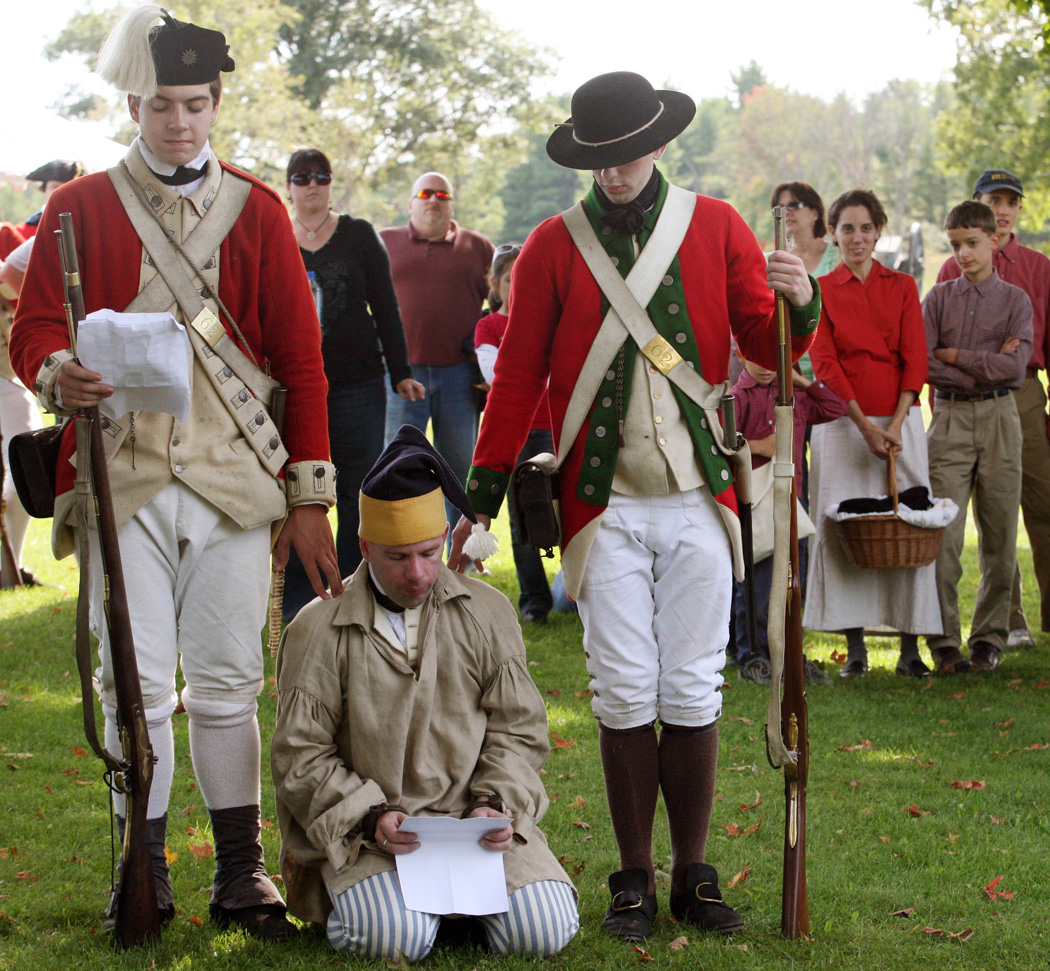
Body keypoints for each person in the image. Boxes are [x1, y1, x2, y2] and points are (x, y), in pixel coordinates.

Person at [449, 71, 820, 941]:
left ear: (658, 145)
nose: (613, 174)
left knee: (692, 686)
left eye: (626, 156)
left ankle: (694, 869)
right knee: (622, 689)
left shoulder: (718, 225)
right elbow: (517, 383)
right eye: (599, 160)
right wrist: (482, 498)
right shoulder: (551, 244)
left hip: (699, 494)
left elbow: (767, 342)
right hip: (602, 503)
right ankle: (633, 877)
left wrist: (801, 302)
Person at [8, 5, 341, 939]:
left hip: (235, 477)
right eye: (161, 106)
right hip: (123, 475)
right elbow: (34, 326)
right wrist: (53, 369)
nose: (179, 123)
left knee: (231, 680)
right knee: (138, 682)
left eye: (195, 104)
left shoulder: (260, 210)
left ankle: (242, 873)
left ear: (216, 103)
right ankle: (141, 866)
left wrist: (311, 499)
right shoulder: (74, 209)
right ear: (132, 103)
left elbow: (301, 362)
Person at [271, 425, 579, 961]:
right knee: (395, 939)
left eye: (429, 552)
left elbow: (519, 730)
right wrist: (370, 816)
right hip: (368, 839)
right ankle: (417, 914)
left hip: (477, 832)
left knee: (546, 931)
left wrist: (493, 803)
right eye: (396, 557)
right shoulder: (316, 629)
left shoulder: (487, 612)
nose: (416, 573)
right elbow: (301, 755)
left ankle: (455, 907)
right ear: (364, 546)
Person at [279, 148, 425, 618]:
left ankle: (352, 589)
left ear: (330, 183)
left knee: (355, 489)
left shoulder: (359, 234)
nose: (313, 185)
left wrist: (400, 371)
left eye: (321, 176)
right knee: (300, 490)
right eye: (302, 178)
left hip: (359, 383)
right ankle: (303, 601)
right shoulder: (277, 235)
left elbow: (386, 306)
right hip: (293, 389)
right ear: (290, 186)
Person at [805, 188, 941, 679]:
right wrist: (863, 425)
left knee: (910, 526)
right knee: (845, 531)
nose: (857, 238)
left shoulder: (902, 285)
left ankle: (910, 649)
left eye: (866, 228)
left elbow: (916, 357)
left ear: (879, 230)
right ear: (833, 234)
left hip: (902, 421)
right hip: (843, 425)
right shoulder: (821, 290)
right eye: (847, 229)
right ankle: (856, 649)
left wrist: (897, 424)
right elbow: (825, 362)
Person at [936, 170, 1050, 649]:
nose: (1002, 209)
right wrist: (985, 365)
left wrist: (986, 362)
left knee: (1037, 507)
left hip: (1023, 393)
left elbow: (1026, 354)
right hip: (962, 403)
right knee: (983, 513)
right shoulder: (950, 272)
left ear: (1019, 209)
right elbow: (932, 351)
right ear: (978, 205)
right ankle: (1011, 621)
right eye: (992, 200)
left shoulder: (1037, 268)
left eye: (1010, 201)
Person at [924, 201, 1032, 673]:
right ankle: (944, 641)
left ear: (994, 241)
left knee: (1001, 534)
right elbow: (924, 362)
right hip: (949, 420)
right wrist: (977, 369)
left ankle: (989, 638)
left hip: (1001, 421)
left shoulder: (1015, 302)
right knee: (942, 536)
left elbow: (1015, 370)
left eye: (972, 244)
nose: (964, 254)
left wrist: (956, 357)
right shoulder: (939, 298)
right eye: (955, 246)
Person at [380, 172, 493, 530]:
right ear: (411, 203)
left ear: (451, 204)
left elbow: (504, 301)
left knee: (459, 466)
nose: (433, 200)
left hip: (459, 375)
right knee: (397, 465)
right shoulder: (384, 243)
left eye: (442, 194)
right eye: (425, 193)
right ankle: (399, 546)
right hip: (402, 375)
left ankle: (458, 557)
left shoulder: (477, 247)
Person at [730, 355, 846, 684]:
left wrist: (803, 381)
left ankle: (790, 653)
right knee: (757, 582)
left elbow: (836, 408)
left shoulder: (794, 396)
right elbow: (719, 447)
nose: (766, 365)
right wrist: (758, 446)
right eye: (756, 355)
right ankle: (752, 654)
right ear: (740, 354)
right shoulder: (738, 398)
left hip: (793, 498)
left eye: (773, 356)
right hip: (756, 501)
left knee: (794, 581)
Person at [474, 243, 555, 622]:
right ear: (495, 284)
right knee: (524, 515)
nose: (518, 285)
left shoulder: (553, 322)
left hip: (558, 427)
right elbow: (496, 376)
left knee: (569, 509)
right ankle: (534, 600)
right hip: (519, 433)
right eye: (510, 279)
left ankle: (579, 590)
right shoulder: (489, 326)